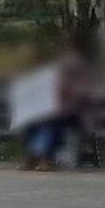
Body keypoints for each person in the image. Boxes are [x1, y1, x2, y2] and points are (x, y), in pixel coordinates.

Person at [20, 42, 93, 172]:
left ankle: (46, 158)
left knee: (50, 122)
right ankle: (34, 157)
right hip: (57, 114)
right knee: (33, 122)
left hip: (75, 116)